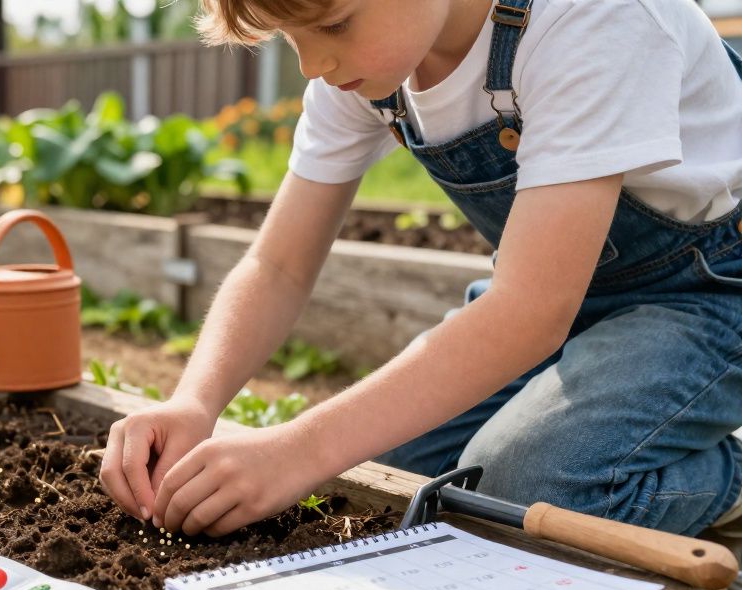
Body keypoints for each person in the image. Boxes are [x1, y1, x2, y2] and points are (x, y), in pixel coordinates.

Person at [99, 0, 742, 542]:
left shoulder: (595, 18)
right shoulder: (373, 69)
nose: (312, 64)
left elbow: (529, 313)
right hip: (571, 295)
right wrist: (194, 401)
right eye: (292, 38)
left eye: (334, 25)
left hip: (709, 294)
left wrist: (300, 449)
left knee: (528, 486)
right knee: (392, 463)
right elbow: (277, 265)